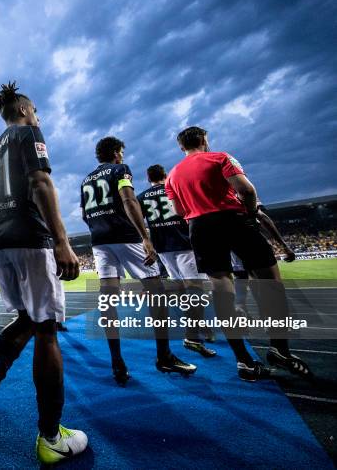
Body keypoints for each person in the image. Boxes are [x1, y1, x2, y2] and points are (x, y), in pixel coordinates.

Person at [0, 82, 88, 465]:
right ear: (24, 110)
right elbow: (40, 182)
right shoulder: (28, 133)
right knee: (46, 329)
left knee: (28, 320)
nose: (38, 117)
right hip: (30, 237)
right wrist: (62, 241)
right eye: (35, 111)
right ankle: (50, 436)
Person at [165, 126, 312, 381]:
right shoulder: (220, 157)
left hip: (199, 226)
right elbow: (247, 191)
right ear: (204, 140)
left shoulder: (172, 176)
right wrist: (252, 213)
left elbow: (178, 210)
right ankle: (279, 349)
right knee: (270, 284)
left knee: (222, 290)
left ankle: (244, 362)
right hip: (233, 219)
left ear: (181, 147)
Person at [80, 137, 196, 387]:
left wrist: (100, 227)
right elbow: (129, 200)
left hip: (100, 241)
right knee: (156, 291)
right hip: (126, 236)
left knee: (108, 299)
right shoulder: (121, 170)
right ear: (115, 153)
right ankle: (164, 356)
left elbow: (83, 214)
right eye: (120, 151)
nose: (122, 156)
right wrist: (145, 236)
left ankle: (117, 362)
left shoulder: (86, 179)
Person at [138, 164, 216, 357]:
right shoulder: (174, 187)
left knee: (181, 287)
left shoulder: (142, 197)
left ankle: (196, 324)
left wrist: (146, 241)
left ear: (148, 179)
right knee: (194, 287)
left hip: (162, 248)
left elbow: (138, 222)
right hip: (184, 242)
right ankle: (195, 332)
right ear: (164, 175)